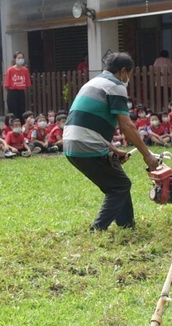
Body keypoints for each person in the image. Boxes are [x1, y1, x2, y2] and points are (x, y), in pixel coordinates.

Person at [63, 52, 162, 231]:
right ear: (123, 71)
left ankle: (126, 224)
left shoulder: (93, 82)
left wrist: (114, 151)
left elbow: (89, 123)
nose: (128, 79)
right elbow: (127, 126)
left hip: (71, 142)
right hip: (87, 145)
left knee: (117, 181)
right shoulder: (115, 86)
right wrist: (147, 155)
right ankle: (97, 229)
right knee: (119, 186)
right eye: (129, 75)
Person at [5, 52, 32, 120]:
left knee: (21, 111)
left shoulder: (25, 70)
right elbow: (6, 85)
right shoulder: (10, 70)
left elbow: (28, 84)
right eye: (19, 58)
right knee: (13, 112)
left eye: (22, 58)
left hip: (21, 92)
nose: (21, 59)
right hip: (12, 92)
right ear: (15, 59)